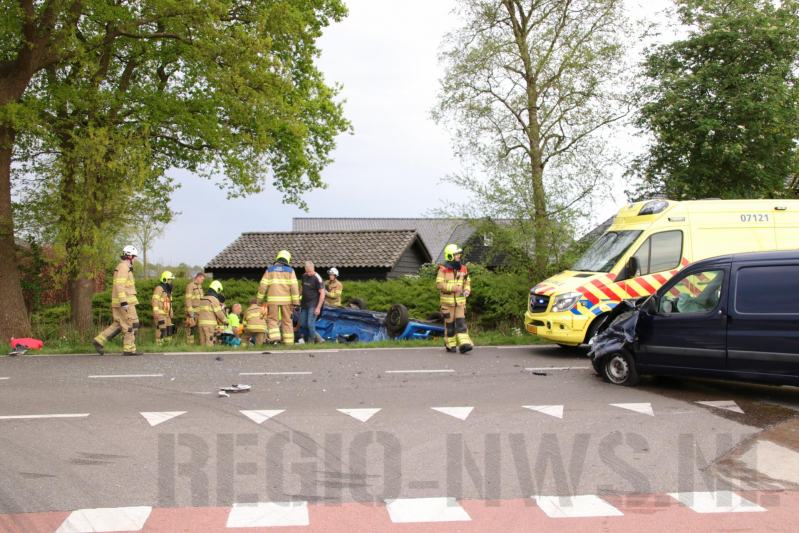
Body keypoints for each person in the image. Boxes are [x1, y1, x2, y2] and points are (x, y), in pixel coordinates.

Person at [92, 245, 142, 356]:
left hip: (122, 302)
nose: (134, 260)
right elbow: (120, 285)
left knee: (119, 324)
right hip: (125, 303)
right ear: (129, 256)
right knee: (131, 324)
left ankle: (99, 341)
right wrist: (124, 302)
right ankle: (129, 349)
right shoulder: (124, 267)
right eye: (134, 257)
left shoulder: (122, 267)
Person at [256, 250, 300, 345]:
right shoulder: (290, 271)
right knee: (287, 321)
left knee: (272, 320)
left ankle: (275, 340)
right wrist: (295, 302)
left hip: (273, 301)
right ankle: (289, 343)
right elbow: (294, 287)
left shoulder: (270, 270)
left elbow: (263, 286)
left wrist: (259, 300)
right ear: (288, 259)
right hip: (287, 301)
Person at [436, 244, 473, 354]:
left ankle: (464, 345)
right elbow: (439, 284)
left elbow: (467, 281)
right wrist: (453, 288)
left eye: (458, 254)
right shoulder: (442, 270)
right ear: (450, 256)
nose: (458, 256)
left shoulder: (463, 268)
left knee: (461, 324)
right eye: (456, 254)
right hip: (448, 304)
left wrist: (467, 290)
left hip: (460, 303)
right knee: (450, 326)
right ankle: (450, 345)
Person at [300, 261, 325, 344]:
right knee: (303, 323)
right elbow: (302, 287)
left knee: (310, 324)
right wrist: (297, 296)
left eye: (310, 271)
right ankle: (319, 339)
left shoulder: (317, 278)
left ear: (313, 268)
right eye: (307, 272)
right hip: (304, 304)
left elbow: (322, 293)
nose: (309, 273)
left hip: (314, 304)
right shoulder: (304, 276)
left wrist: (318, 307)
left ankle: (311, 341)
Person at [197, 280, 228, 347]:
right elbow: (219, 313)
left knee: (202, 343)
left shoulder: (203, 298)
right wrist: (226, 321)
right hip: (209, 325)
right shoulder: (213, 299)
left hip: (201, 324)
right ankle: (208, 357)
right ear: (217, 288)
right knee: (209, 343)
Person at [153, 271, 175, 347]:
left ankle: (168, 345)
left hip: (167, 314)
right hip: (160, 313)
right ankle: (159, 346)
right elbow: (155, 300)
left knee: (169, 329)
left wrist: (171, 311)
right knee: (161, 329)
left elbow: (169, 302)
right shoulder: (159, 288)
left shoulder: (168, 290)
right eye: (169, 279)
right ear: (165, 279)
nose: (170, 281)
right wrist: (156, 312)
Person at [184, 272, 205, 345]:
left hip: (199, 312)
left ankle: (201, 343)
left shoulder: (200, 286)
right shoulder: (190, 286)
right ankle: (190, 344)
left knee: (200, 328)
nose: (202, 281)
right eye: (202, 279)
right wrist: (191, 313)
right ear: (198, 277)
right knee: (190, 329)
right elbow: (188, 300)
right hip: (192, 311)